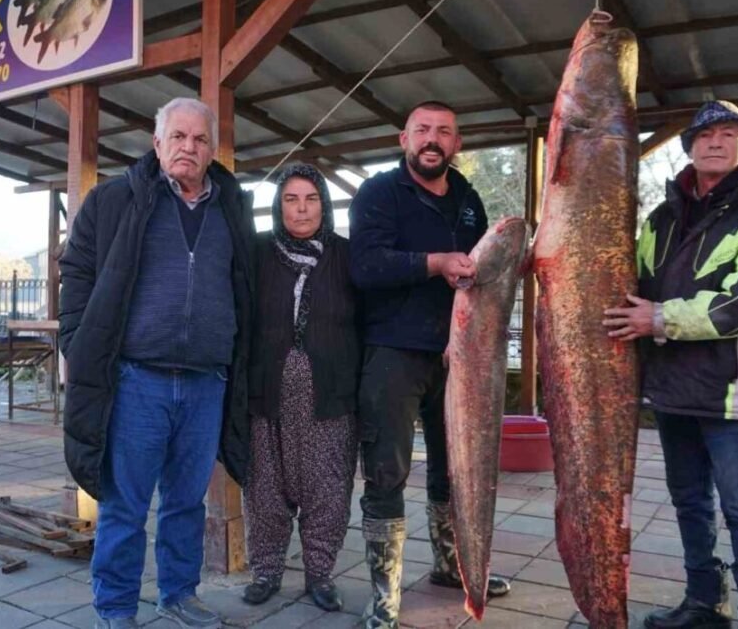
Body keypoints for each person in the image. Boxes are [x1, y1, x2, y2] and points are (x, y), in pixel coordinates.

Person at [58, 97, 254, 629]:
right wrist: (75, 341)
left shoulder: (230, 208)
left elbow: (247, 285)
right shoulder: (117, 199)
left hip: (206, 383)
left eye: (199, 140)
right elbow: (75, 270)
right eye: (179, 137)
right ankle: (116, 607)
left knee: (187, 502)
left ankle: (178, 593)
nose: (188, 147)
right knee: (124, 503)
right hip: (137, 380)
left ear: (213, 150)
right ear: (157, 141)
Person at [604, 100, 738, 629]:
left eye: (730, 134)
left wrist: (660, 319)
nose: (717, 142)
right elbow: (630, 287)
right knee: (689, 503)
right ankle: (704, 601)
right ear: (688, 146)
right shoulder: (661, 219)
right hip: (672, 390)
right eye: (707, 134)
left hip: (733, 394)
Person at [349, 100, 511, 629]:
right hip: (392, 352)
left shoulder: (467, 199)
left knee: (457, 467)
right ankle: (384, 594)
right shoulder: (379, 193)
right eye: (422, 130)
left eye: (444, 131)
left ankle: (450, 565)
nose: (432, 139)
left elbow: (485, 272)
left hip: (459, 357)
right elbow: (366, 266)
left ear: (457, 143)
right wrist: (434, 263)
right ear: (404, 139)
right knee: (386, 470)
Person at [240, 163, 360, 613]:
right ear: (278, 206)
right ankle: (267, 570)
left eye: (310, 198)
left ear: (324, 205)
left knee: (327, 488)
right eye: (291, 199)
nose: (301, 208)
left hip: (329, 394)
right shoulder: (256, 254)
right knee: (266, 487)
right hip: (267, 392)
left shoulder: (346, 257)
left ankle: (320, 574)